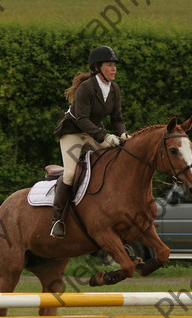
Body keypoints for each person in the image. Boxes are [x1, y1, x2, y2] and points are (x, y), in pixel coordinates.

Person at [50, 45, 129, 239]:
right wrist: (104, 136)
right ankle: (57, 220)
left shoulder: (114, 89)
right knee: (69, 173)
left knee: (120, 157)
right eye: (109, 65)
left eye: (114, 65)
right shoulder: (86, 88)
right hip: (73, 133)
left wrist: (124, 134)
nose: (114, 69)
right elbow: (82, 120)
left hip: (93, 133)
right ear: (97, 68)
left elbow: (117, 119)